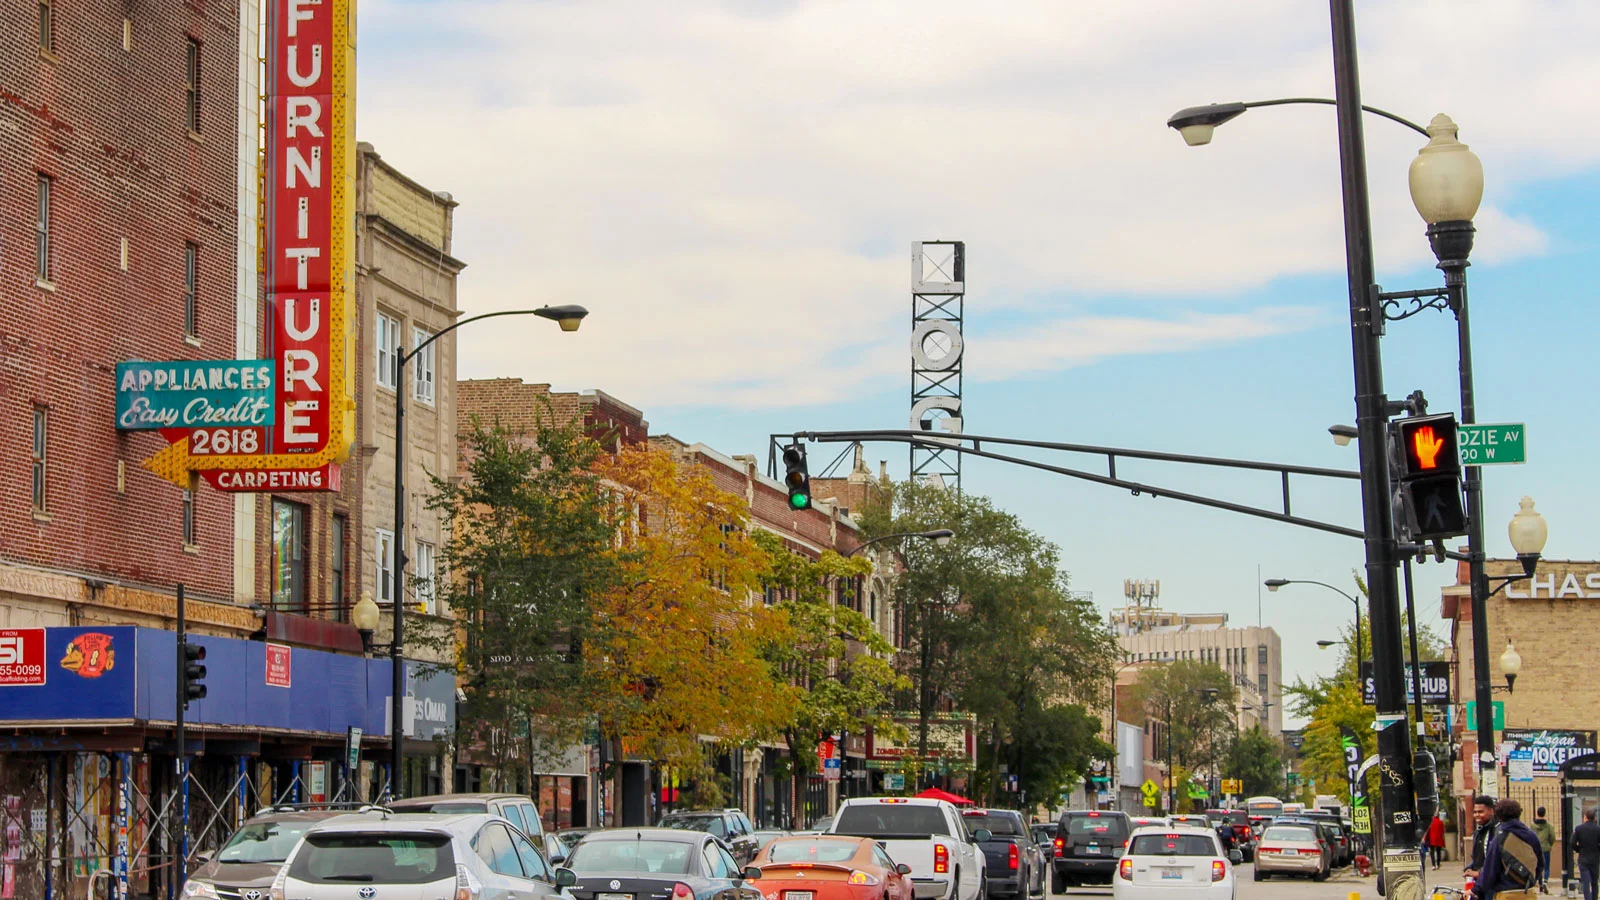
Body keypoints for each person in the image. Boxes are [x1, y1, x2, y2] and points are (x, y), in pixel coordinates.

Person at [1474, 798, 1544, 900]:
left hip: (1506, 893)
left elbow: (1490, 870)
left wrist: (1476, 889)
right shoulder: (1531, 835)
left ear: (1499, 815)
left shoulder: (1500, 837)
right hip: (1528, 892)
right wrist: (1530, 880)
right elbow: (1540, 863)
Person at [1572, 807, 1600, 900]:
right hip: (1595, 859)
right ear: (1594, 818)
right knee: (1595, 882)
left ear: (1585, 817)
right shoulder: (1598, 829)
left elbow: (1572, 843)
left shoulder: (1579, 829)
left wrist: (1578, 849)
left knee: (1586, 882)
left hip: (1583, 858)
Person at [1468, 795, 1498, 881]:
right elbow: (1477, 857)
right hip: (1480, 881)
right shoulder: (1479, 831)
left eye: (1481, 812)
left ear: (1491, 811)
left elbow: (1494, 861)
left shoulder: (1496, 831)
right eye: (1475, 812)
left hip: (1492, 882)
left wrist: (1480, 873)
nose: (1477, 815)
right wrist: (1470, 867)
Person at [1532, 806, 1556, 894]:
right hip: (1546, 848)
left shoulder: (1532, 826)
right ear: (1544, 813)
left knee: (1538, 867)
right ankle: (1545, 881)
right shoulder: (1548, 826)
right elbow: (1552, 837)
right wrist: (1549, 844)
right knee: (1546, 867)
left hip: (1535, 849)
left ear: (1537, 813)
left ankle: (1540, 884)